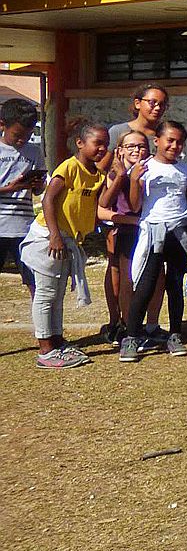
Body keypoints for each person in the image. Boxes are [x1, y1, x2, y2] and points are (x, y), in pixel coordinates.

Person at [20, 120, 109, 368]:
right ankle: (45, 348)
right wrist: (55, 235)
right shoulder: (69, 167)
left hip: (67, 239)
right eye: (97, 143)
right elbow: (49, 200)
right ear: (80, 143)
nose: (102, 149)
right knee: (46, 292)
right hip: (48, 237)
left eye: (106, 145)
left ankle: (57, 340)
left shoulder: (98, 175)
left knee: (57, 293)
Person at [118, 120, 187, 361]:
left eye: (179, 142)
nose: (174, 146)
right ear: (157, 141)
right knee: (146, 284)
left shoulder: (185, 170)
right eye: (170, 140)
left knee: (175, 286)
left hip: (180, 232)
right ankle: (131, 336)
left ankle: (175, 334)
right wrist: (134, 180)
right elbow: (135, 205)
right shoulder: (144, 168)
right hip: (153, 231)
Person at [101, 82, 168, 341]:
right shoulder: (120, 131)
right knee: (118, 269)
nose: (157, 107)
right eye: (152, 101)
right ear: (138, 103)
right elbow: (106, 169)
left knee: (154, 272)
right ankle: (117, 321)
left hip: (149, 214)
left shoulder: (161, 132)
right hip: (118, 211)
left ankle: (149, 324)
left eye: (162, 103)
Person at [97, 130, 151, 345]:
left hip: (147, 229)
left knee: (150, 280)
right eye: (131, 146)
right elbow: (103, 207)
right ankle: (123, 323)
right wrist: (121, 176)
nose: (137, 150)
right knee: (121, 277)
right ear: (119, 151)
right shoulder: (114, 175)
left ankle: (144, 323)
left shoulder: (150, 171)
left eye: (141, 146)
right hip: (125, 229)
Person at [0, 98, 42, 292]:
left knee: (34, 281)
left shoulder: (34, 151)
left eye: (28, 135)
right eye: (17, 135)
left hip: (24, 226)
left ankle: (39, 322)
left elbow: (38, 190)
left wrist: (37, 185)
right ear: (3, 125)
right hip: (1, 224)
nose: (22, 140)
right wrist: (9, 189)